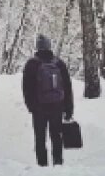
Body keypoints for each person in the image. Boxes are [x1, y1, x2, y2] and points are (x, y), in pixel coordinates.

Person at [22, 34, 74, 167]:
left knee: (40, 138)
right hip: (57, 106)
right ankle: (58, 163)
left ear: (37, 47)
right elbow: (67, 86)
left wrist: (31, 106)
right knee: (56, 136)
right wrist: (68, 108)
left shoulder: (32, 64)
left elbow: (26, 87)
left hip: (39, 108)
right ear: (49, 46)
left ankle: (42, 165)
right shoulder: (59, 63)